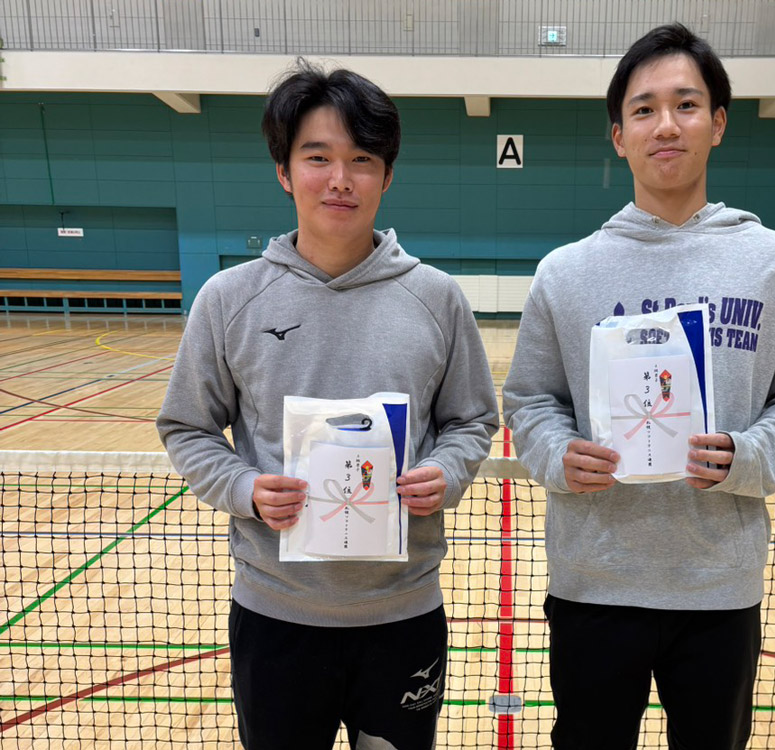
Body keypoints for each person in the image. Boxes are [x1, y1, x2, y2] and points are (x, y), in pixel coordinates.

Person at [502, 23, 775, 750]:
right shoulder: (566, 272)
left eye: (686, 104)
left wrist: (745, 455)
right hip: (594, 580)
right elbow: (530, 400)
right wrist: (557, 454)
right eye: (644, 109)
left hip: (719, 584)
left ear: (717, 123)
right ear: (618, 136)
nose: (665, 125)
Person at [157, 63, 499, 750]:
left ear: (387, 176)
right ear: (284, 171)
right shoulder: (228, 300)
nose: (340, 179)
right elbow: (188, 427)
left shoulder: (437, 299)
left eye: (362, 160)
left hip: (403, 614)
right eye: (317, 158)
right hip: (276, 618)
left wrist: (447, 470)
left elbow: (471, 420)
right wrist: (245, 489)